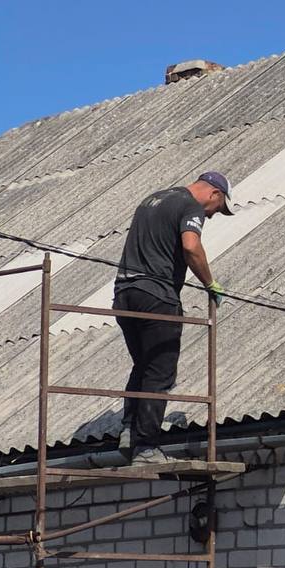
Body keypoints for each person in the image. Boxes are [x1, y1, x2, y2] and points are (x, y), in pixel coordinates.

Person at [113, 172, 234, 464]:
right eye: (218, 209)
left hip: (125, 293)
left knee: (144, 365)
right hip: (157, 296)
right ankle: (146, 448)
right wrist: (210, 283)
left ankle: (130, 430)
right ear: (215, 194)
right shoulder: (190, 206)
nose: (212, 215)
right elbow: (191, 246)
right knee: (161, 371)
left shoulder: (152, 199)